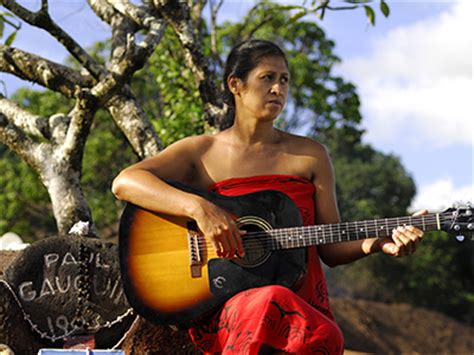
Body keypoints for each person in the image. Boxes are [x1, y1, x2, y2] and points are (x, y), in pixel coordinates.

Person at [112, 39, 425, 354]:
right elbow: (126, 181)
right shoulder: (202, 151)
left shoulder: (311, 155)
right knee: (270, 301)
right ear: (236, 84)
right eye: (268, 78)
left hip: (302, 305)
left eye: (284, 80)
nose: (278, 88)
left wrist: (378, 243)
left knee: (305, 322)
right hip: (228, 305)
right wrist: (200, 209)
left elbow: (330, 248)